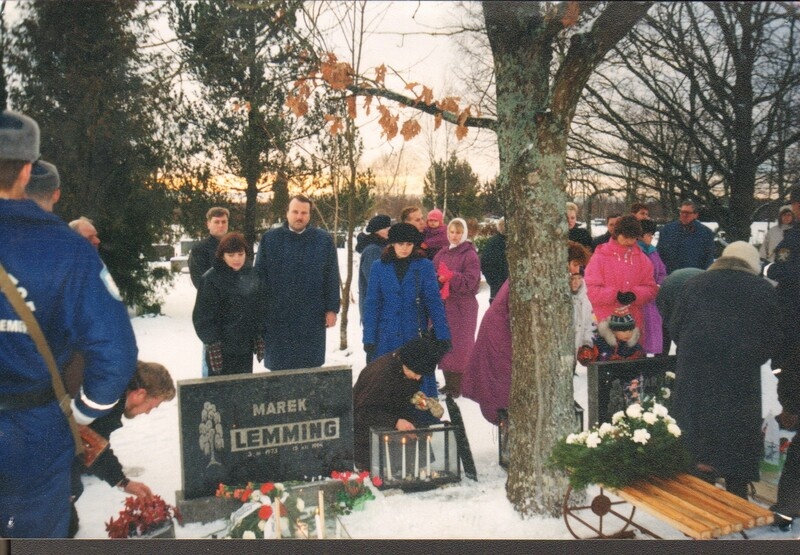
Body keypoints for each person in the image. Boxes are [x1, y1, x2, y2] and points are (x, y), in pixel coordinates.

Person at [0, 109, 138, 538]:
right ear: (27, 169)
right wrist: (80, 413)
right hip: (32, 432)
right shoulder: (68, 250)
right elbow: (114, 353)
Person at [670, 241, 782, 499]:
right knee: (737, 433)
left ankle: (700, 490)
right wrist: (753, 357)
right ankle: (736, 491)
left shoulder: (694, 284)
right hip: (740, 377)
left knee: (699, 433)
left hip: (696, 374)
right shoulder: (762, 289)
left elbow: (676, 327)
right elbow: (774, 336)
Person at [69, 361, 175, 537]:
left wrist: (123, 482)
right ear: (140, 394)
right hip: (40, 446)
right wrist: (123, 482)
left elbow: (96, 442)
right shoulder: (107, 398)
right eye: (152, 406)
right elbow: (90, 444)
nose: (148, 412)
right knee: (65, 508)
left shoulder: (115, 386)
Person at [362, 223, 451, 414]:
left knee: (418, 391)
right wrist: (369, 338)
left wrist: (443, 334)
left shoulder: (424, 266)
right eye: (400, 243)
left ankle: (421, 426)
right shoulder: (379, 267)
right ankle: (389, 425)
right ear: (391, 244)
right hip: (386, 338)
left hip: (415, 336)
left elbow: (434, 302)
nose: (404, 247)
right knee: (386, 385)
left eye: (409, 244)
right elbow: (372, 304)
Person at [255, 195, 340, 371]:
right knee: (280, 369)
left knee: (310, 367)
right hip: (278, 316)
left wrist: (331, 309)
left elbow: (331, 277)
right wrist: (260, 311)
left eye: (304, 213)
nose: (299, 217)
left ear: (309, 215)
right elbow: (260, 277)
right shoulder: (270, 239)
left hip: (311, 316)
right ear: (287, 213)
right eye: (295, 212)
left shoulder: (323, 240)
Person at [352, 337, 445, 471]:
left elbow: (400, 397)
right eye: (417, 373)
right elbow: (362, 413)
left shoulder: (406, 367)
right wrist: (395, 422)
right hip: (367, 435)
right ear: (407, 363)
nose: (418, 378)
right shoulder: (381, 374)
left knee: (417, 438)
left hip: (390, 425)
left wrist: (419, 401)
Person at [765, 184, 800, 530]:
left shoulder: (794, 239)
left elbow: (784, 271)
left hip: (793, 332)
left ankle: (788, 506)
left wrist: (770, 271)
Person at [193, 232, 266, 375]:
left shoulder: (252, 275)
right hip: (221, 348)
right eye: (231, 255)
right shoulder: (211, 279)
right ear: (222, 255)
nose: (236, 259)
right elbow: (203, 317)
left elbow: (259, 308)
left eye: (240, 254)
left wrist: (258, 333)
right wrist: (212, 342)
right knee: (220, 391)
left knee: (242, 389)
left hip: (244, 347)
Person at [584, 215, 658, 348]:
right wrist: (614, 295)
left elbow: (651, 288)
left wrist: (635, 295)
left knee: (632, 363)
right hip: (605, 321)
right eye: (625, 237)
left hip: (632, 323)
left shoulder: (642, 259)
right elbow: (590, 289)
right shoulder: (600, 257)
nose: (629, 241)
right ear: (617, 234)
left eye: (633, 238)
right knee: (605, 362)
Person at [433, 218, 481, 397]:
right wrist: (438, 280)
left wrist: (452, 277)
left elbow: (471, 281)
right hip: (445, 305)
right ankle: (449, 383)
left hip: (462, 306)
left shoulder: (470, 255)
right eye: (452, 232)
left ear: (465, 234)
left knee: (460, 346)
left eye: (458, 232)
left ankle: (460, 385)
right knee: (445, 344)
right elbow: (433, 273)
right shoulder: (442, 253)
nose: (454, 236)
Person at [462, 280, 511, 426]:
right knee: (499, 376)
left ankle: (501, 415)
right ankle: (502, 416)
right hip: (500, 334)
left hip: (498, 330)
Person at [656, 200, 715, 275]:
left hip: (694, 276)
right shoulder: (667, 230)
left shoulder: (706, 233)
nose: (684, 215)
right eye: (682, 212)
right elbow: (659, 254)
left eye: (687, 213)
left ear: (695, 215)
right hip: (671, 276)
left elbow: (708, 259)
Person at [356, 214, 391, 330]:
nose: (389, 230)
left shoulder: (382, 247)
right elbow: (375, 281)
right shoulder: (373, 250)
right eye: (386, 228)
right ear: (377, 231)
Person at [637, 219, 667, 355]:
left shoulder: (653, 252)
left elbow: (661, 271)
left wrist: (660, 283)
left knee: (653, 334)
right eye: (649, 235)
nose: (651, 238)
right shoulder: (636, 251)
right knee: (641, 335)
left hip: (653, 298)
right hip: (641, 298)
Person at [579, 306, 645, 364]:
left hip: (628, 375)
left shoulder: (634, 346)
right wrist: (587, 354)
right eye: (623, 331)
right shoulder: (602, 343)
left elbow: (639, 364)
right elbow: (591, 358)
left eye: (630, 330)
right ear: (613, 331)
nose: (627, 334)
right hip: (604, 375)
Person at [188, 207, 230, 289]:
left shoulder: (235, 246)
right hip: (212, 298)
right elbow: (200, 280)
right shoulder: (200, 249)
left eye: (224, 222)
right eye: (216, 222)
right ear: (208, 224)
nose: (221, 225)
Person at [568, 241, 595, 362]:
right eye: (574, 264)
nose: (576, 281)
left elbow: (590, 324)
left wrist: (586, 343)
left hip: (574, 351)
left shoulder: (584, 299)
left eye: (579, 278)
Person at [479, 217, 508, 304]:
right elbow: (485, 263)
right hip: (499, 286)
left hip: (497, 286)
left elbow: (485, 263)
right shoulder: (494, 243)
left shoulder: (492, 243)